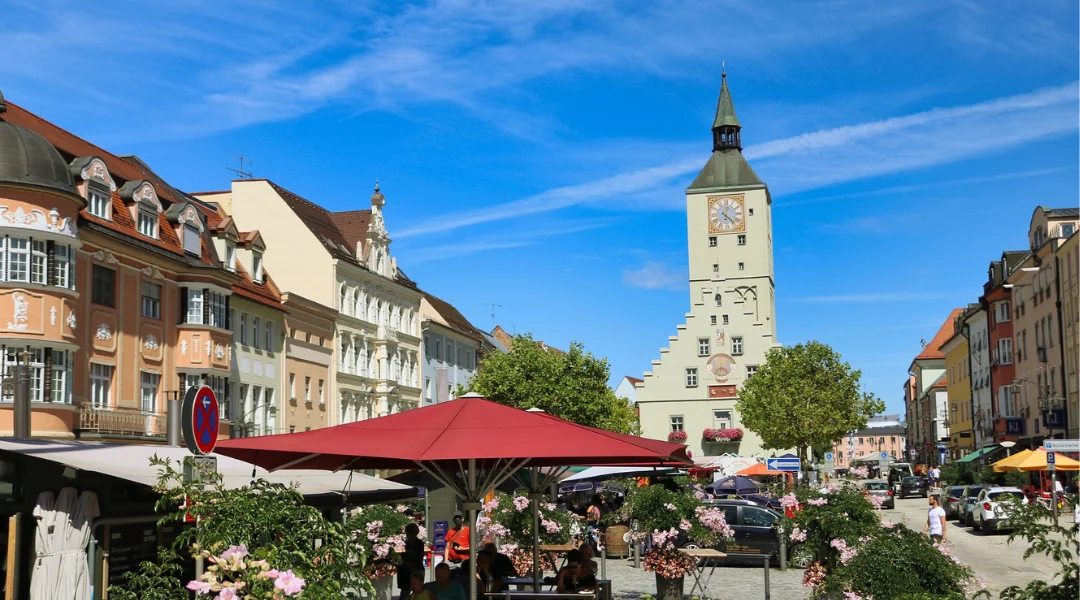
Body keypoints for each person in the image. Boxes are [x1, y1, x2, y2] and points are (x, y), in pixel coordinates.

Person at [398, 523, 426, 600]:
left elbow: (419, 556)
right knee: (405, 591)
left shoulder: (419, 543)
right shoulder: (408, 543)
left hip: (416, 569)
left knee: (417, 590)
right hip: (408, 569)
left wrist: (406, 554)